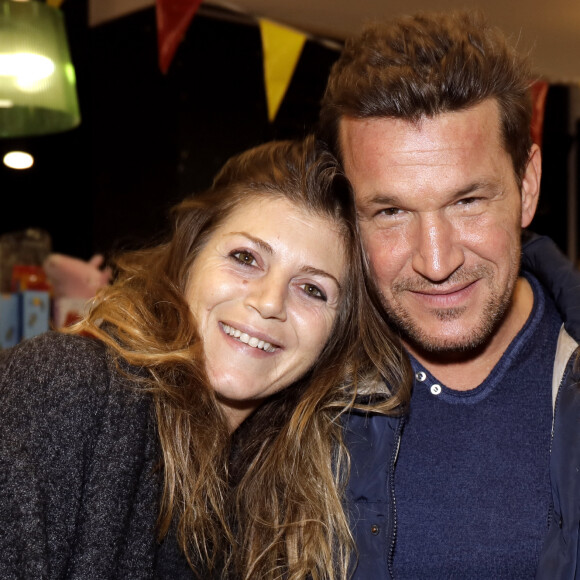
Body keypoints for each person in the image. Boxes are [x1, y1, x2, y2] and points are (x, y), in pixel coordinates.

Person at [0, 135, 411, 580]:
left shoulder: (287, 494)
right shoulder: (64, 387)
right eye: (245, 258)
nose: (270, 302)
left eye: (313, 289)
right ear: (190, 256)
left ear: (335, 337)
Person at [319, 10, 580, 579]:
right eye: (390, 212)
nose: (437, 263)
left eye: (468, 202)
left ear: (527, 186)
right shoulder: (298, 399)